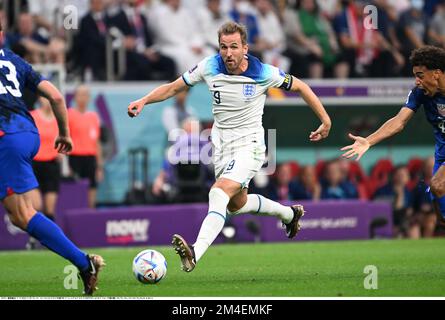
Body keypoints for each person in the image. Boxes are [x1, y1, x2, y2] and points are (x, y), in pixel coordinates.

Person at [127, 22, 331, 272]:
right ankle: (289, 215)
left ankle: (194, 252)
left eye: (234, 47)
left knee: (218, 192)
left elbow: (301, 86)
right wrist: (144, 100)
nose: (228, 53)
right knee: (236, 205)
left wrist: (325, 119)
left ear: (245, 48)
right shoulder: (209, 66)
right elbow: (173, 87)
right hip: (222, 147)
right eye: (224, 47)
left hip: (251, 145)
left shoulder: (263, 72)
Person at [0, 24, 104, 295]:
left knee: (23, 214)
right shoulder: (14, 60)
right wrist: (65, 134)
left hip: (6, 138)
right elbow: (57, 96)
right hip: (28, 132)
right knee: (20, 213)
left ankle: (84, 262)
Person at [341, 45, 445, 226]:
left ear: (436, 73)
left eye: (420, 76)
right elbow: (399, 122)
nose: (417, 81)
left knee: (437, 184)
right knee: (440, 212)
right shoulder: (419, 93)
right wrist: (368, 141)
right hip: (442, 152)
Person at [68, 85, 103, 208]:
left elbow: (97, 142)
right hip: (74, 157)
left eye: (85, 95)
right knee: (76, 187)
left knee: (92, 186)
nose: (83, 98)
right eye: (80, 95)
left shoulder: (94, 117)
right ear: (75, 97)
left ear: (89, 98)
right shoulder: (69, 115)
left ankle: (90, 212)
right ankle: (77, 211)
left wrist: (99, 166)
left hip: (90, 157)